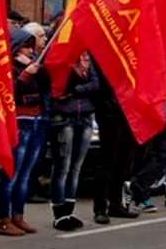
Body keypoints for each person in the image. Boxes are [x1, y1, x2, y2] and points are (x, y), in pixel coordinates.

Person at [0, 29, 49, 237]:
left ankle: (18, 215)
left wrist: (35, 69)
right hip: (18, 123)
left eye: (31, 46)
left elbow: (46, 86)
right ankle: (3, 219)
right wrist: (26, 73)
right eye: (25, 46)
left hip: (35, 122)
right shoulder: (7, 68)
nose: (29, 50)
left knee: (25, 175)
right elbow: (11, 92)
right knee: (11, 174)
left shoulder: (34, 65)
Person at [48, 51, 99, 231]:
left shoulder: (87, 60)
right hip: (64, 118)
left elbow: (95, 84)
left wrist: (77, 89)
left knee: (76, 167)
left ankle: (69, 210)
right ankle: (59, 212)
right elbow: (60, 88)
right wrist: (77, 80)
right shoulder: (60, 58)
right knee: (63, 165)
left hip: (85, 117)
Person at [91, 60, 140, 224]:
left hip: (129, 111)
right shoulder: (103, 53)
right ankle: (100, 208)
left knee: (124, 161)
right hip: (109, 111)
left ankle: (116, 204)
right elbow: (100, 84)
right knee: (106, 161)